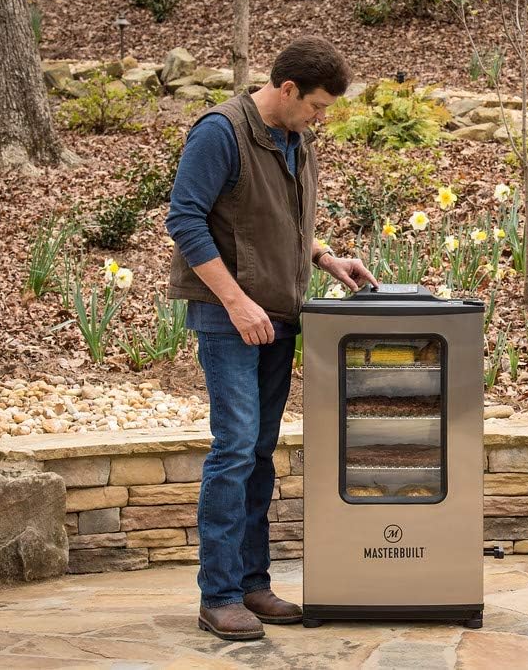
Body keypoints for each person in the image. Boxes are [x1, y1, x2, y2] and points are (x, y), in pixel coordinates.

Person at [165, 35, 378, 641]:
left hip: (279, 316)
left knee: (259, 452)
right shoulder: (220, 132)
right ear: (286, 90)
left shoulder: (294, 137)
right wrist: (236, 302)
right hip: (230, 318)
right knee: (233, 449)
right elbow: (184, 218)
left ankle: (253, 585)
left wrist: (327, 258)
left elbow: (273, 222)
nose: (322, 117)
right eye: (317, 105)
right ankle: (219, 595)